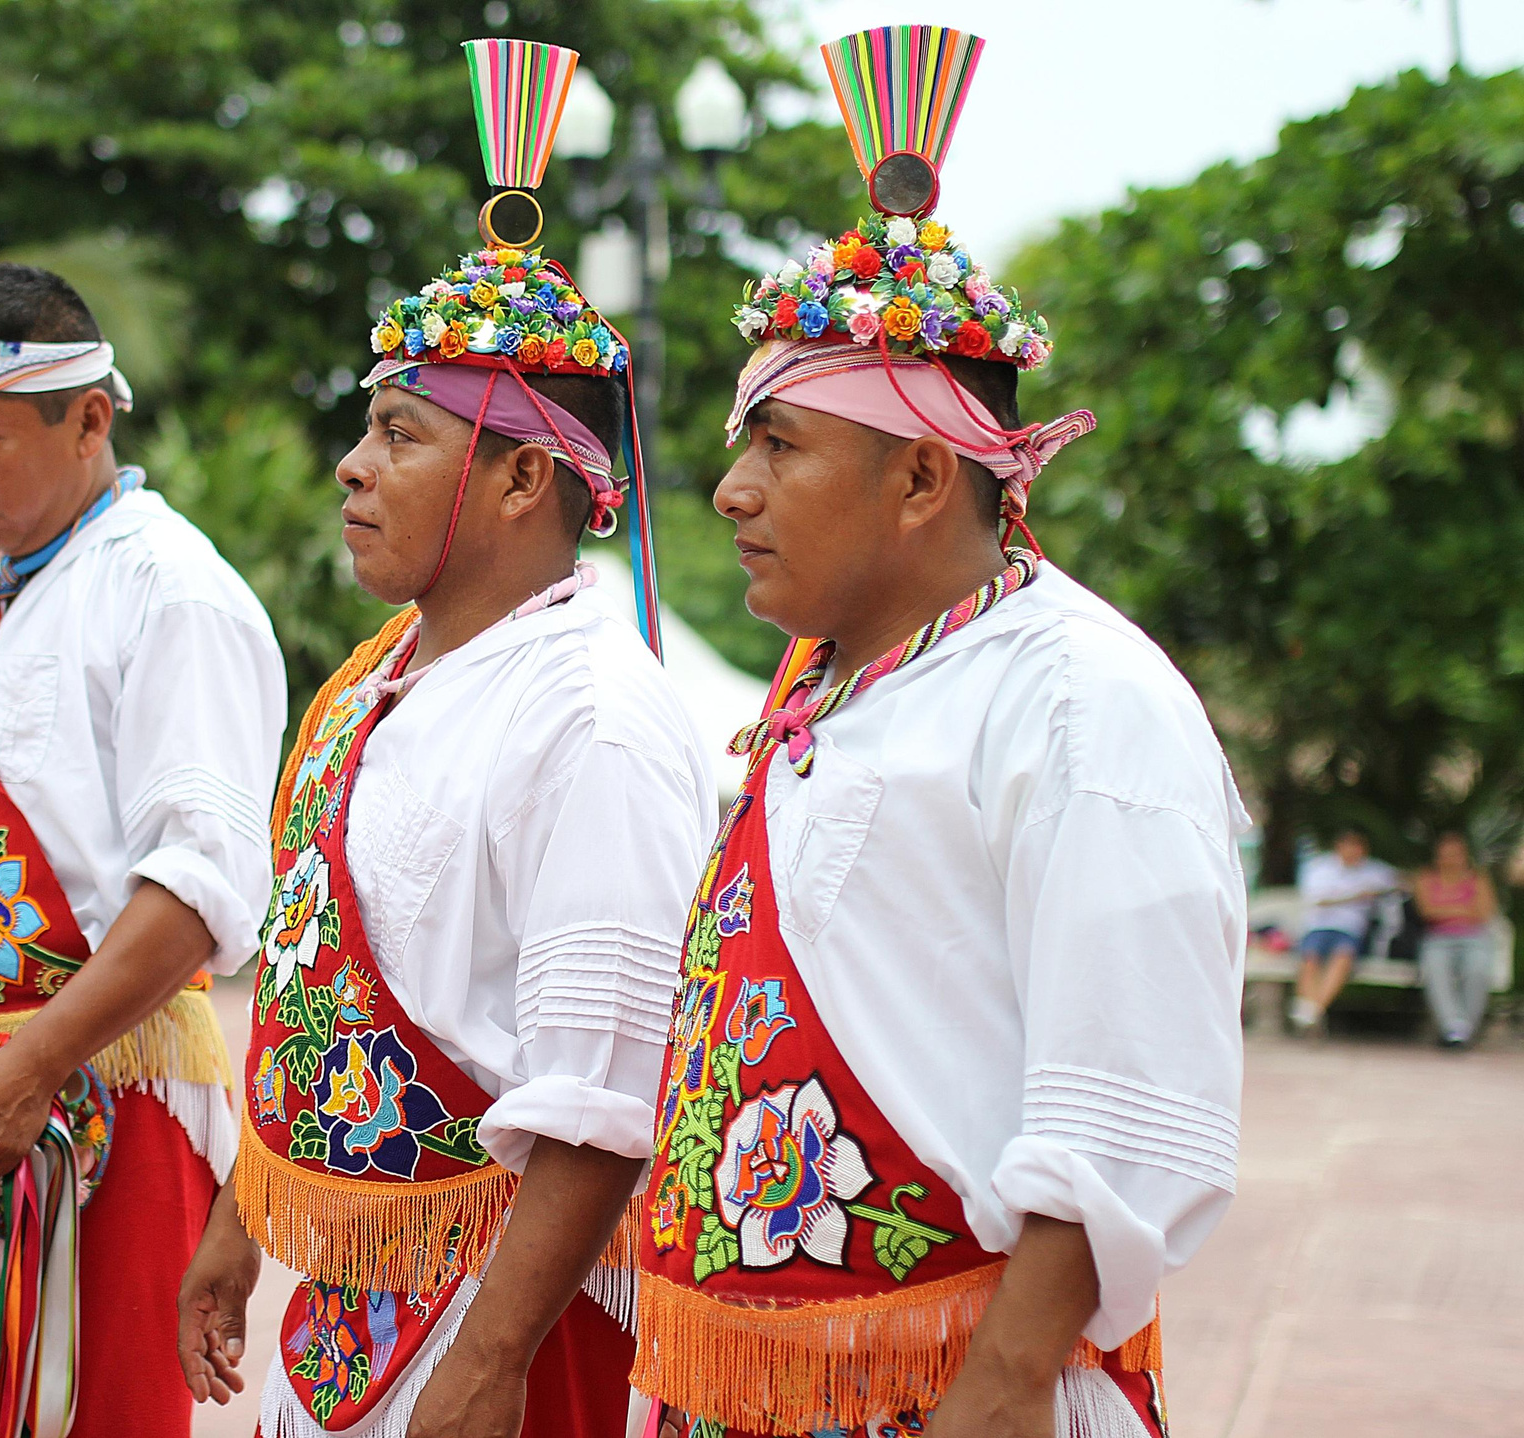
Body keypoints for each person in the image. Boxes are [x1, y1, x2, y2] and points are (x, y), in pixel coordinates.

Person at [628, 25, 1248, 1438]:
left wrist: (1006, 1380)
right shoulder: (831, 678)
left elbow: (1129, 1088)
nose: (730, 491)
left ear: (920, 477)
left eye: (779, 445)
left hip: (953, 1395)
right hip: (743, 1380)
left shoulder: (1085, 698)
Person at [173, 224, 720, 1436]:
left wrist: (488, 1363)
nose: (350, 467)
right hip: (358, 1301)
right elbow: (316, 984)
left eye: (399, 434)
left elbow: (604, 1094)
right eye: (369, 428)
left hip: (509, 1328)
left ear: (525, 478)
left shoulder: (592, 722)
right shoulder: (379, 679)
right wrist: (241, 1218)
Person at [0, 263, 285, 1436]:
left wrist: (35, 1060)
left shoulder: (172, 595)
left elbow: (200, 881)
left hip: (103, 1096)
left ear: (91, 419)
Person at [1291, 829, 1399, 1032]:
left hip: (1350, 930)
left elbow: (1402, 881)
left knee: (1343, 956)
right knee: (1310, 958)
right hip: (1318, 926)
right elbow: (1319, 900)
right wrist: (1358, 896)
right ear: (1338, 847)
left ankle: (1310, 1011)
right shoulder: (1320, 867)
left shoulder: (1375, 871)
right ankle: (1314, 1013)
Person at [1414, 832, 1500, 1048]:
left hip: (1474, 938)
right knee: (1435, 969)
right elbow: (1427, 911)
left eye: (1455, 855)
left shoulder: (1478, 878)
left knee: (1477, 969)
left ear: (1465, 856)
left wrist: (1446, 909)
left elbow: (1483, 913)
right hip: (1438, 938)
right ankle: (1452, 1025)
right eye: (1445, 855)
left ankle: (1462, 1030)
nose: (1450, 860)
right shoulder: (1426, 878)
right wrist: (1463, 909)